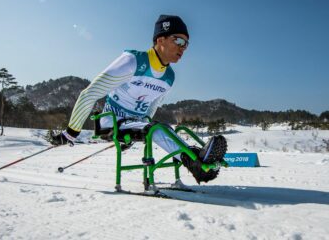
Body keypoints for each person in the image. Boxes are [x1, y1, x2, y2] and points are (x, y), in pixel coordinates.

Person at [51, 14, 227, 184]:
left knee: (160, 128)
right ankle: (196, 162)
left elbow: (152, 107)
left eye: (186, 44)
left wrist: (141, 129)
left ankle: (197, 157)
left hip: (136, 123)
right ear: (160, 39)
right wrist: (71, 132)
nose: (183, 48)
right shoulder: (132, 61)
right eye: (178, 41)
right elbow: (89, 94)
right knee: (159, 128)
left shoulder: (169, 77)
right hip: (112, 121)